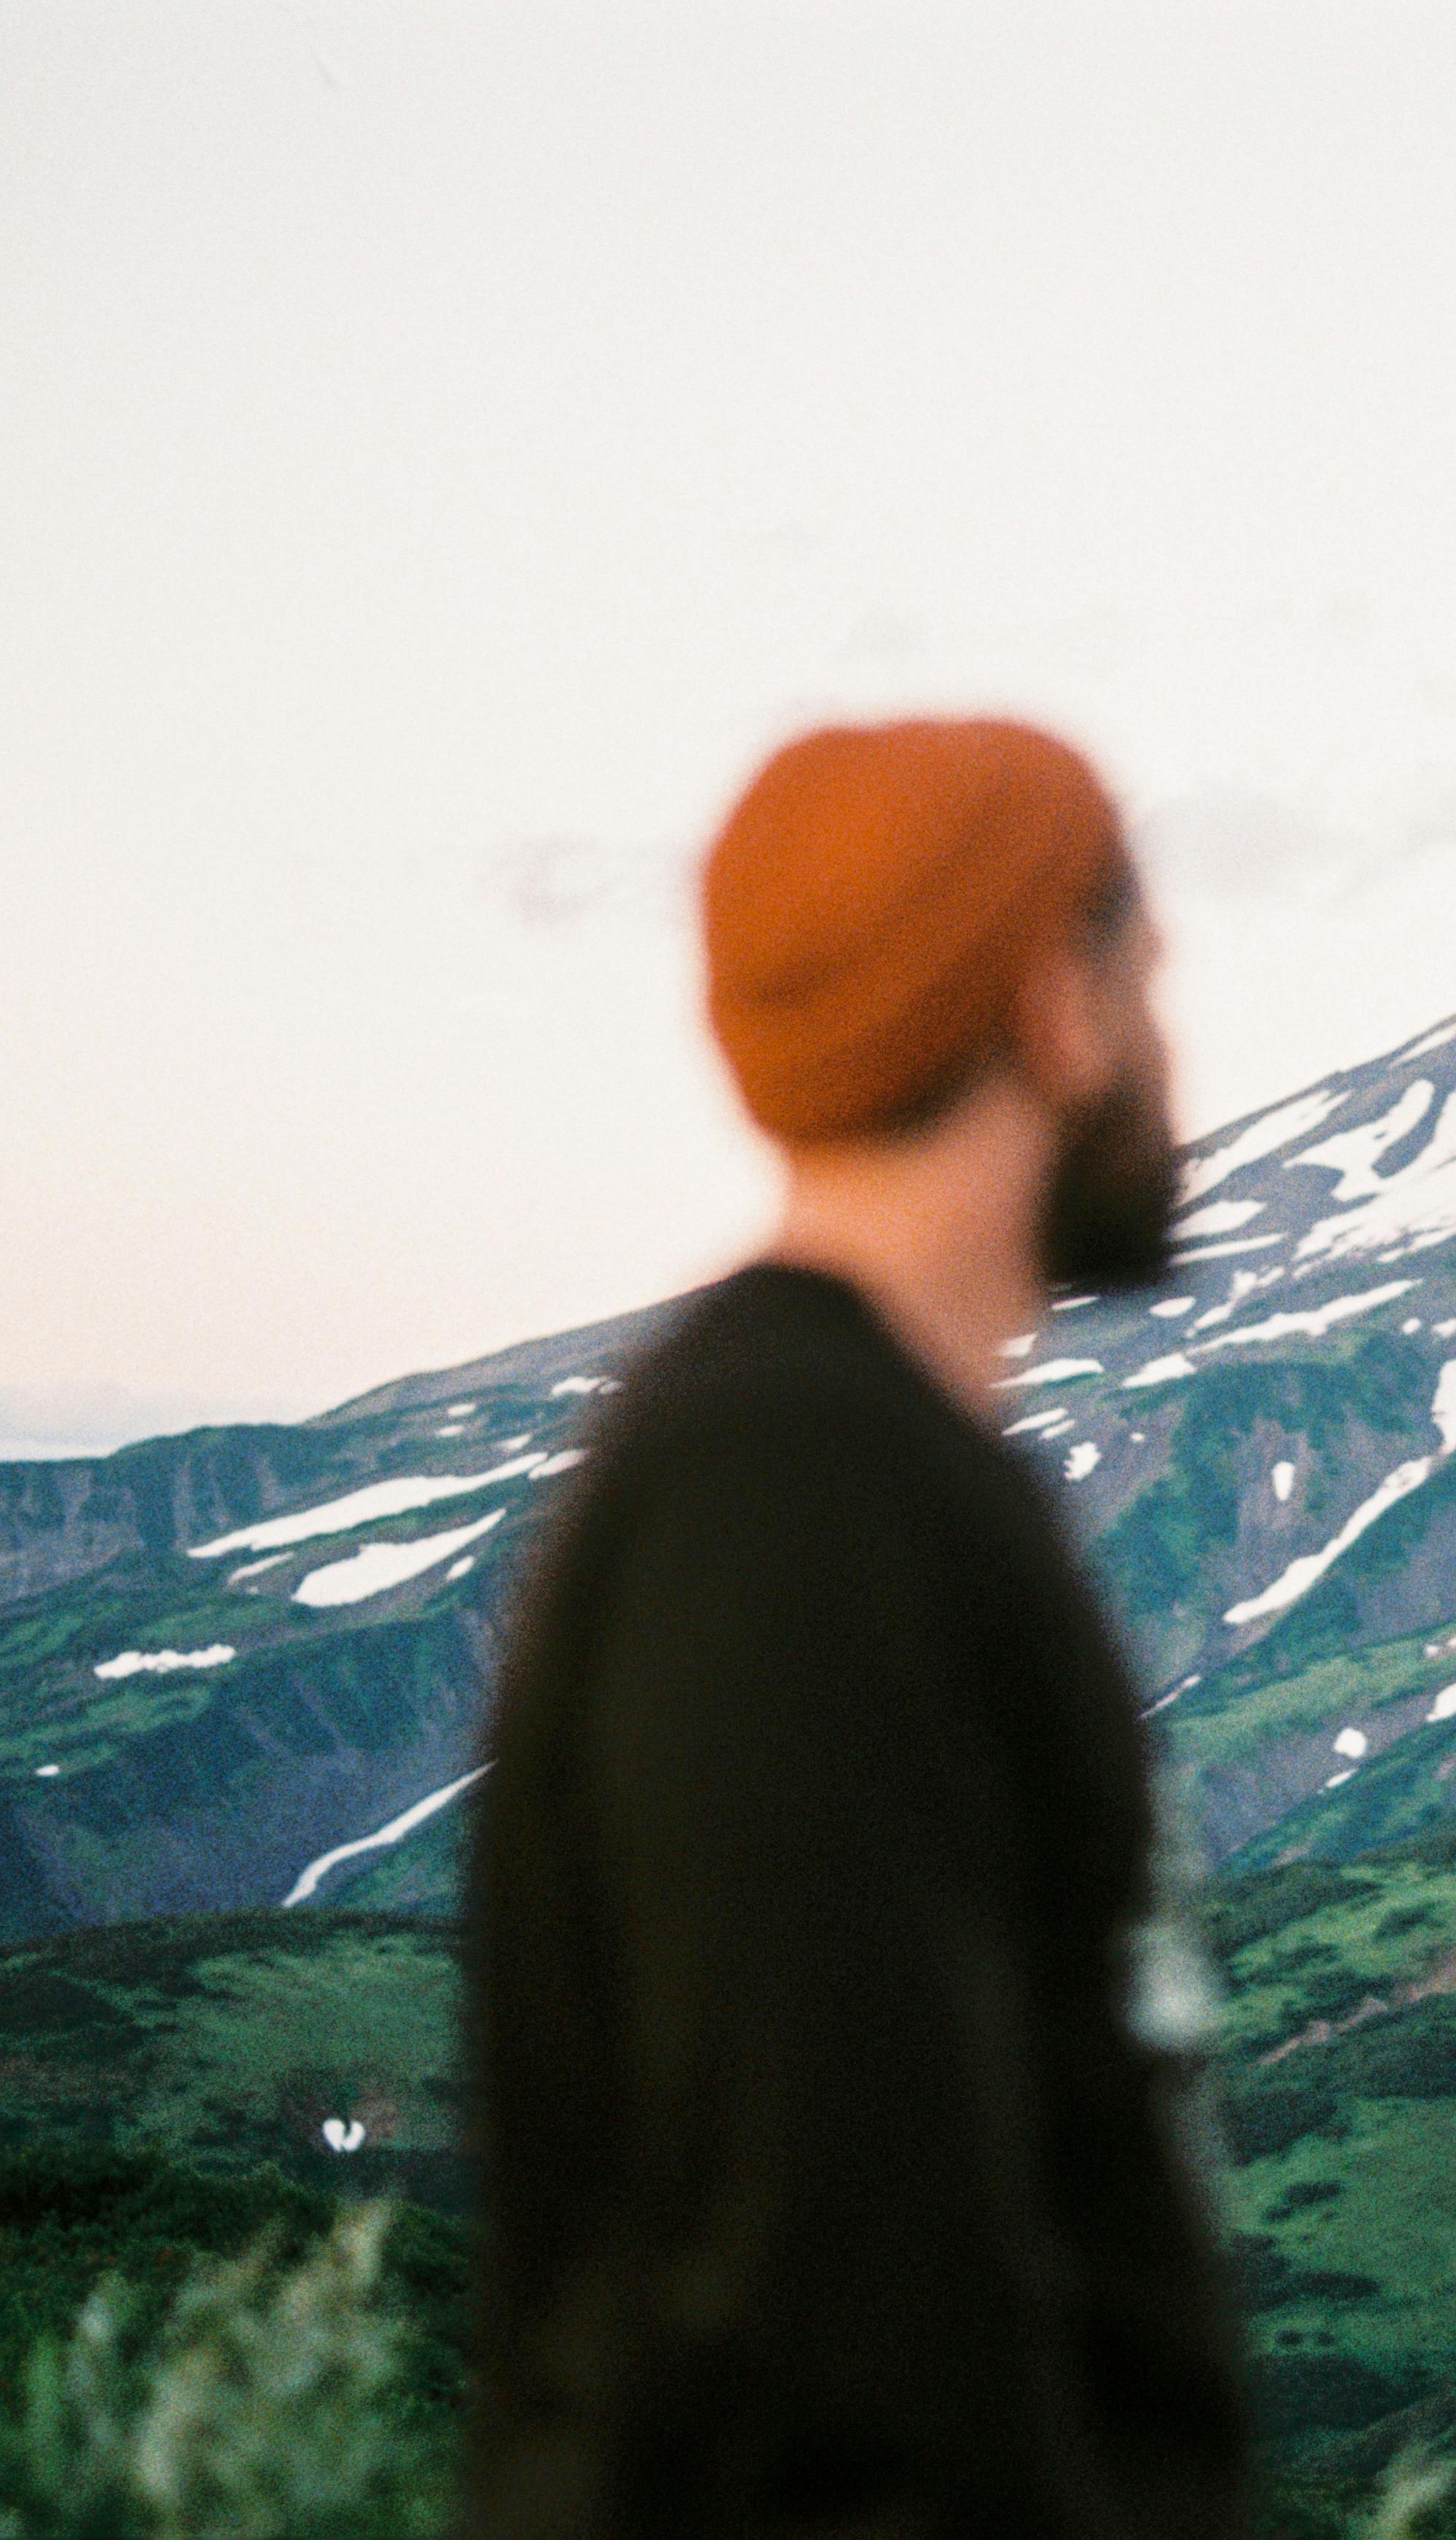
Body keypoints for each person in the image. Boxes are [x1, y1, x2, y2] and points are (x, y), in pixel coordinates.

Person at [460, 718, 1251, 2539]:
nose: (1169, 1054)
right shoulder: (792, 1497)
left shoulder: (841, 1463)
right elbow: (843, 2305)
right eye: (1144, 978)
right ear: (1054, 1005)